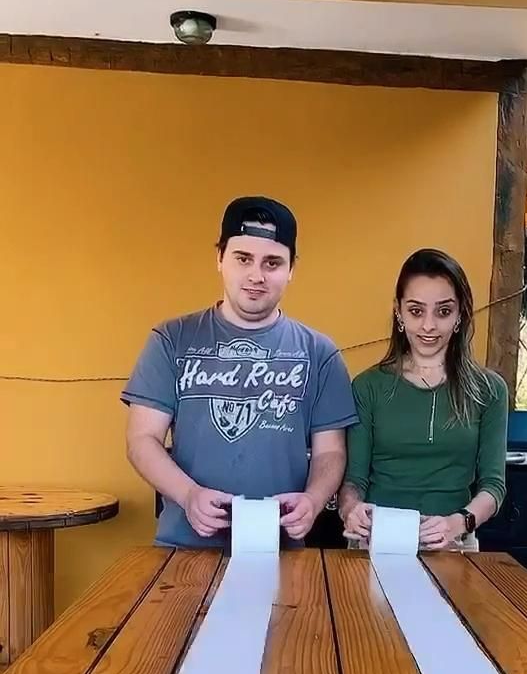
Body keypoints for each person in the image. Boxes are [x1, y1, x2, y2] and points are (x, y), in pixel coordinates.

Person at [122, 195, 357, 548]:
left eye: (272, 262)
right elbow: (142, 439)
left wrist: (313, 500)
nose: (256, 275)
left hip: (282, 550)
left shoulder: (320, 353)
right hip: (184, 549)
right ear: (219, 258)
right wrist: (188, 496)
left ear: (292, 269)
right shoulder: (171, 340)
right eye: (243, 258)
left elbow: (330, 452)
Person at [338, 248, 508, 550]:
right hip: (376, 542)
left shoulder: (490, 390)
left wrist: (459, 523)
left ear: (459, 316)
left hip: (454, 544)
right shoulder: (367, 387)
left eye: (443, 311)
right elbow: (353, 481)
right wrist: (351, 510)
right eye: (416, 311)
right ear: (398, 312)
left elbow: (494, 486)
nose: (429, 326)